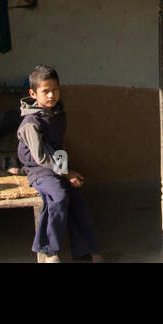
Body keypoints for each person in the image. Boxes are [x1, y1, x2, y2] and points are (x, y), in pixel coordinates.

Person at [17, 65, 103, 263]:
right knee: (59, 196)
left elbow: (58, 146)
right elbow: (41, 157)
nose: (51, 95)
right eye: (45, 91)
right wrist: (66, 173)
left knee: (76, 198)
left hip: (57, 163)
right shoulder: (31, 122)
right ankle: (49, 251)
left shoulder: (57, 113)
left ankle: (87, 251)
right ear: (33, 93)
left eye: (55, 90)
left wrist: (67, 171)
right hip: (38, 169)